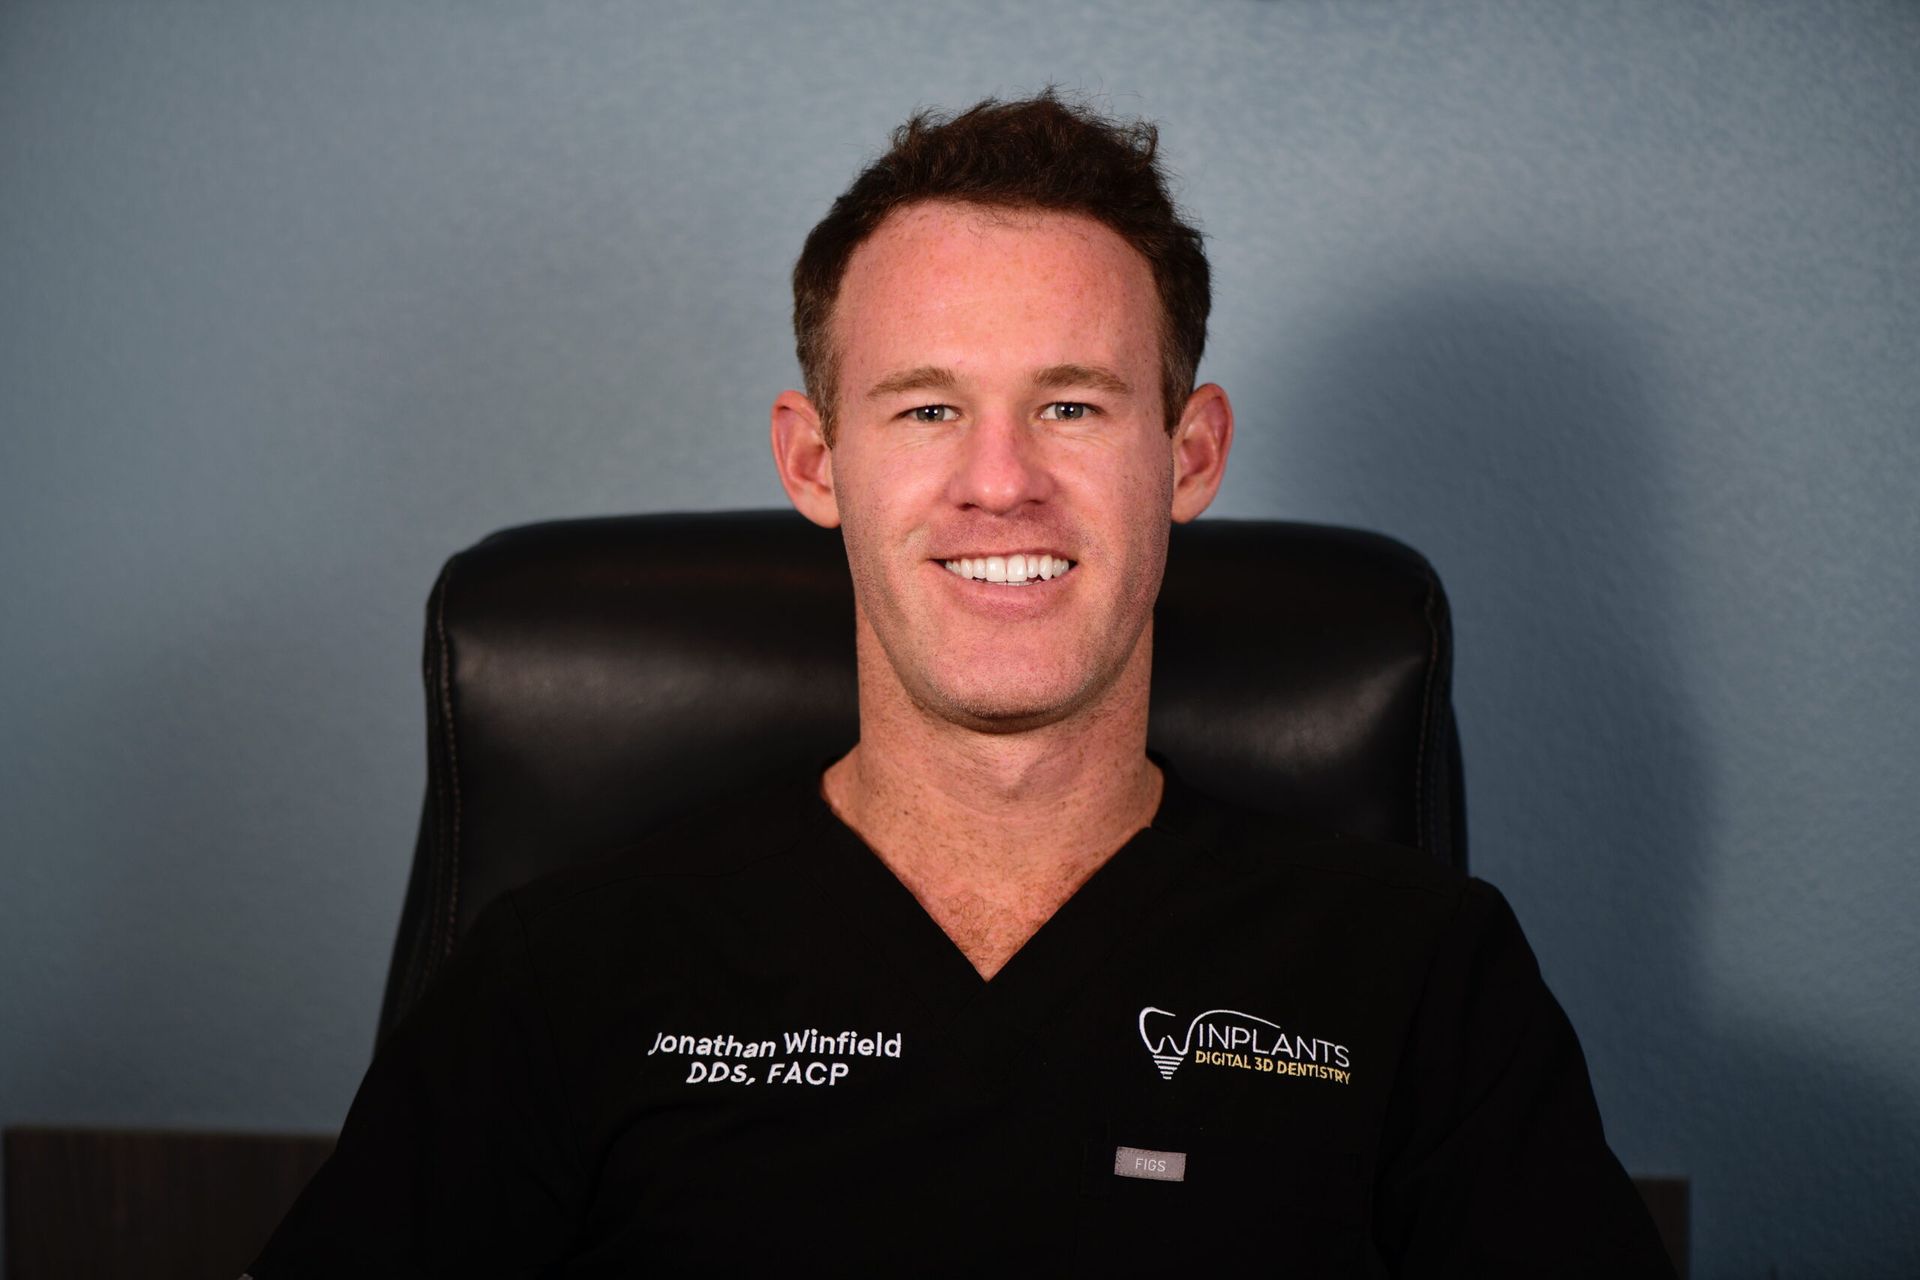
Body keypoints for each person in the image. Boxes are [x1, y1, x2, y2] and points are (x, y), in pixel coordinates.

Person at [250, 93, 1675, 1277]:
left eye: (1072, 404)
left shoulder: (1421, 977)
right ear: (816, 461)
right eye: (929, 407)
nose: (1002, 482)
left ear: (1188, 457)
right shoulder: (560, 976)